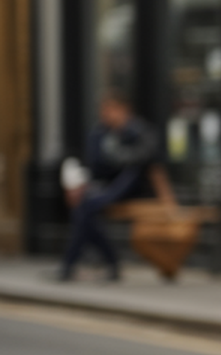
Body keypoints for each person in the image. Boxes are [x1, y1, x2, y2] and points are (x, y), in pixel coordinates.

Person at [58, 94, 159, 281]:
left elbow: (147, 158)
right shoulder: (99, 134)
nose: (106, 115)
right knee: (83, 210)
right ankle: (107, 262)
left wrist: (118, 154)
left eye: (110, 110)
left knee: (89, 205)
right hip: (106, 188)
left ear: (124, 110)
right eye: (103, 111)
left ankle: (72, 265)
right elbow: (94, 166)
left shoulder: (139, 131)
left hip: (135, 189)